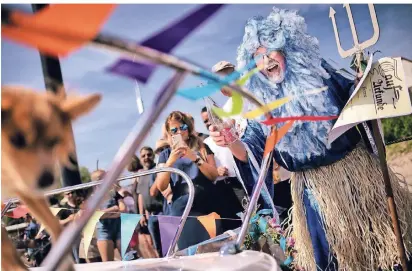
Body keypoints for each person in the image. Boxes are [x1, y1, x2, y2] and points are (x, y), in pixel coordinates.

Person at [209, 8, 412, 270]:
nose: (265, 61)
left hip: (356, 177)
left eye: (270, 50)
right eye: (256, 57)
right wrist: (230, 141)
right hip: (312, 194)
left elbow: (355, 97)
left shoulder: (320, 73)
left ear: (287, 50)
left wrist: (365, 81)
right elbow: (250, 152)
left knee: (385, 250)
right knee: (332, 260)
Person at [154, 111, 222, 250]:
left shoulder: (202, 147)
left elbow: (213, 175)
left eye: (182, 127)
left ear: (188, 128)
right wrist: (171, 160)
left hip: (208, 207)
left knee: (215, 252)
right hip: (183, 211)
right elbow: (161, 185)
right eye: (174, 130)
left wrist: (194, 157)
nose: (179, 132)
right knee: (191, 254)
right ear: (169, 133)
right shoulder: (165, 155)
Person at [201, 105, 246, 231]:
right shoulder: (206, 143)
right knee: (235, 222)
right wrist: (217, 171)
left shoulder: (233, 131)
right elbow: (210, 167)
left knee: (251, 213)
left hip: (240, 180)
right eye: (205, 121)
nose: (209, 122)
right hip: (223, 188)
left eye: (212, 118)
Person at [92, 169, 126, 262]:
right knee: (108, 264)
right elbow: (97, 215)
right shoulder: (93, 198)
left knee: (128, 260)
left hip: (119, 229)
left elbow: (123, 210)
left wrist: (105, 214)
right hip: (104, 231)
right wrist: (114, 209)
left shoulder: (114, 193)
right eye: (101, 178)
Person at [136, 146, 164, 257]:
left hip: (163, 212)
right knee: (157, 246)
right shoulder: (140, 174)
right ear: (140, 159)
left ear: (153, 156)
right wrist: (141, 214)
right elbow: (141, 195)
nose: (146, 157)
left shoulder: (158, 169)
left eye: (149, 154)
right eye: (143, 156)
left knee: (169, 243)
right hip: (150, 216)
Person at [58, 191, 81, 263]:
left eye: (72, 192)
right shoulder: (63, 208)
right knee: (78, 257)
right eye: (68, 194)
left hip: (85, 232)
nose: (70, 195)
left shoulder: (80, 204)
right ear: (64, 196)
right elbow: (59, 222)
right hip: (73, 234)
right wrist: (68, 219)